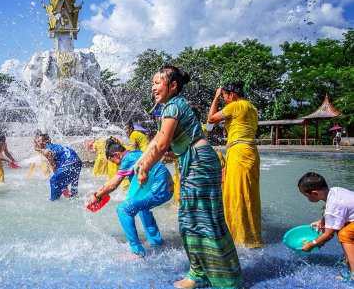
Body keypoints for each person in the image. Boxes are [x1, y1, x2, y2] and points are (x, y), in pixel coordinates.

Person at [137, 65, 242, 289]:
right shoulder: (172, 107)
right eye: (152, 83)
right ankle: (202, 272)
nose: (153, 88)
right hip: (196, 160)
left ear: (173, 85)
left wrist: (145, 167)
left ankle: (221, 279)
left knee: (200, 221)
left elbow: (163, 144)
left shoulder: (173, 106)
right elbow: (157, 139)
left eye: (158, 83)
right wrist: (141, 161)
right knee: (194, 220)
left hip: (198, 162)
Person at [87, 138, 173, 257]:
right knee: (142, 208)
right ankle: (156, 242)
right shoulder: (137, 153)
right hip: (168, 188)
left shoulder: (127, 160)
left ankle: (137, 252)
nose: (117, 165)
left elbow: (113, 184)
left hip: (160, 189)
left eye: (114, 162)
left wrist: (97, 195)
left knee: (123, 209)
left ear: (117, 155)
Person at [207, 82, 262, 248]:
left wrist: (215, 97)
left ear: (232, 95)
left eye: (224, 96)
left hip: (239, 153)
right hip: (250, 152)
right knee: (249, 194)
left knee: (236, 195)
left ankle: (240, 238)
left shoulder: (236, 105)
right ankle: (251, 235)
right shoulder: (251, 107)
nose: (224, 100)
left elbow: (210, 120)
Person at [298, 172, 354, 282]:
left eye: (306, 196)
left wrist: (311, 244)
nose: (307, 198)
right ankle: (349, 257)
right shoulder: (335, 190)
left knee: (344, 233)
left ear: (314, 193)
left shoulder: (332, 208)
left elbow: (328, 234)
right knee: (341, 228)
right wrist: (323, 220)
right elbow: (339, 210)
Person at [34, 131, 82, 201]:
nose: (38, 143)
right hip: (77, 161)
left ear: (46, 141)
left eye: (39, 141)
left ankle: (53, 201)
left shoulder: (47, 149)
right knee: (63, 181)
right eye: (37, 141)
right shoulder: (56, 146)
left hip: (69, 162)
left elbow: (54, 167)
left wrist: (38, 149)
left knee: (53, 180)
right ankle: (72, 196)